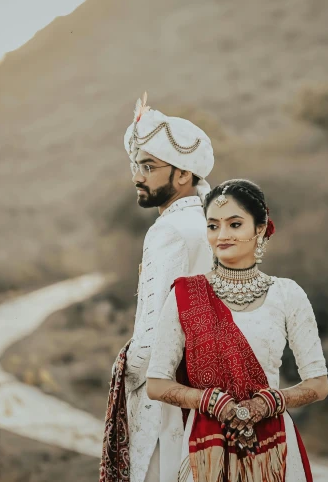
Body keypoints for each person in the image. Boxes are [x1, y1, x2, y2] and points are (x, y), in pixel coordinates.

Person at [145, 179, 328, 482]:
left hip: (273, 447)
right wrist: (209, 402)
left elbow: (319, 384)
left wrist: (267, 402)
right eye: (213, 226)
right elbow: (156, 384)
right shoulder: (185, 296)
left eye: (234, 224)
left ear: (260, 228)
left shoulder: (287, 294)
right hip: (205, 451)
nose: (222, 235)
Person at [100, 93, 215, 482]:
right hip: (218, 391)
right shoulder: (216, 224)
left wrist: (125, 372)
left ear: (183, 174)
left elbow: (150, 341)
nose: (136, 176)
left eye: (148, 166)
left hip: (173, 400)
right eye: (136, 165)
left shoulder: (169, 230)